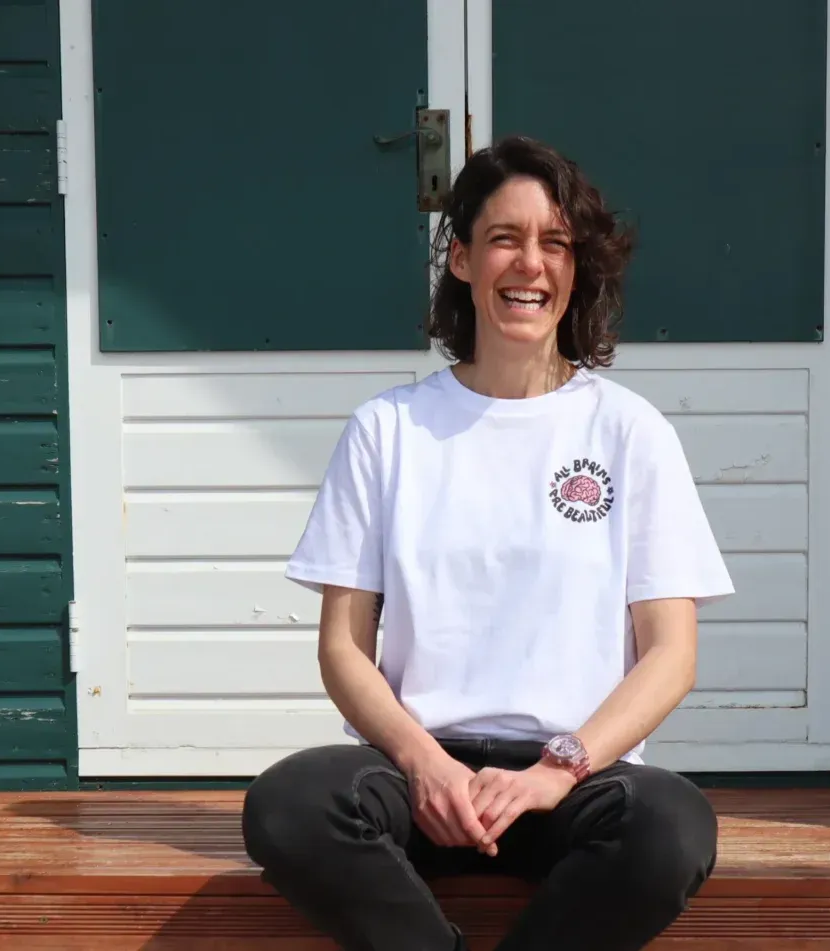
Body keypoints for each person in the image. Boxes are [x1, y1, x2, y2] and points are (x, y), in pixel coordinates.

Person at [239, 135, 734, 951]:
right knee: (289, 804)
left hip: (573, 776)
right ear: (463, 258)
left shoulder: (630, 432)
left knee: (672, 828)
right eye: (505, 238)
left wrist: (556, 771)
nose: (529, 264)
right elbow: (342, 648)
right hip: (417, 773)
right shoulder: (388, 430)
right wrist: (424, 761)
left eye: (554, 243)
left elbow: (670, 655)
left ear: (578, 269)